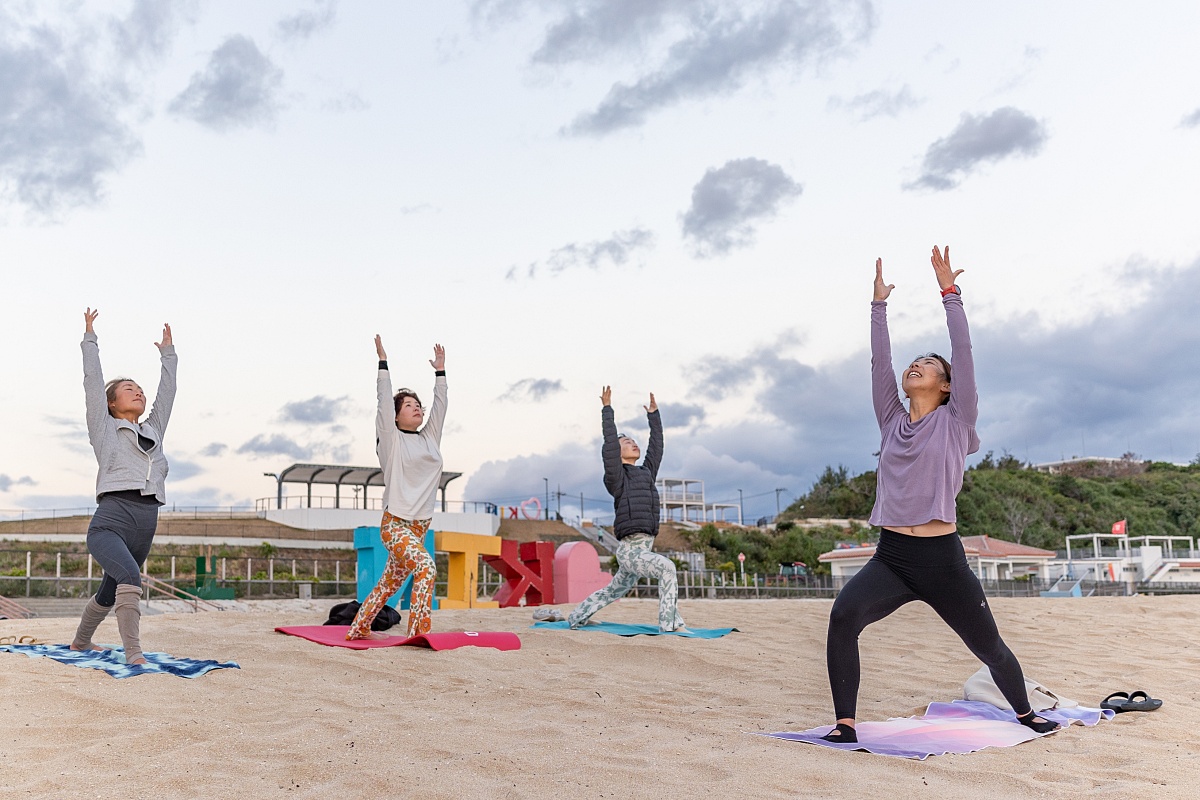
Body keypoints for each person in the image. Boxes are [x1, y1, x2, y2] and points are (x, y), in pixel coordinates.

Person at [821, 246, 1058, 744]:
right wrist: (877, 306)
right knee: (843, 616)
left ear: (947, 386)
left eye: (928, 365)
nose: (915, 366)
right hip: (892, 557)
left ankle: (1024, 713)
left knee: (988, 645)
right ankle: (845, 724)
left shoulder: (956, 421)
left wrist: (950, 294)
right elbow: (878, 363)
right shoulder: (891, 420)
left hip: (941, 560)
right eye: (915, 362)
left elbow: (965, 354)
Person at [70, 309, 177, 666]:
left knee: (111, 587)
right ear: (112, 403)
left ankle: (80, 642)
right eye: (129, 389)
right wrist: (90, 338)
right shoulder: (104, 428)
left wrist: (168, 355)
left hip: (147, 520)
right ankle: (134, 653)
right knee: (131, 577)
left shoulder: (153, 430)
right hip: (111, 520)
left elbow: (167, 394)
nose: (139, 393)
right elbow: (91, 380)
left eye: (140, 390)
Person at [346, 336, 444, 640]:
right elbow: (383, 400)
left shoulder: (430, 438)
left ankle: (358, 628)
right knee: (426, 567)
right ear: (397, 414)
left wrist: (440, 373)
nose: (417, 409)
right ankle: (417, 633)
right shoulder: (391, 440)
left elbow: (441, 406)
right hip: (395, 525)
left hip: (419, 527)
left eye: (418, 405)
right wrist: (383, 364)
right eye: (409, 405)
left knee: (389, 583)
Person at [566, 387, 686, 632]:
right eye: (626, 442)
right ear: (616, 453)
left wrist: (654, 416)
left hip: (645, 546)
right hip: (631, 549)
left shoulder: (647, 473)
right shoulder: (616, 478)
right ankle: (670, 625)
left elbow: (657, 447)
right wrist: (607, 410)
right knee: (667, 568)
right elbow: (609, 444)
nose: (632, 443)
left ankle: (576, 617)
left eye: (633, 441)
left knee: (614, 589)